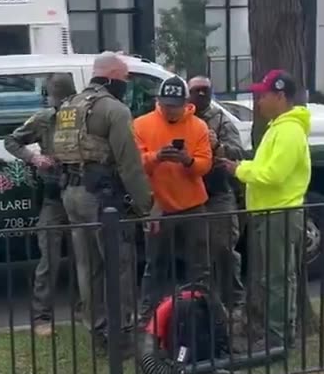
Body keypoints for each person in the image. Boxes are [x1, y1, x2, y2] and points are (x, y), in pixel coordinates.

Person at [51, 51, 152, 347]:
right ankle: (121, 331)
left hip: (70, 192)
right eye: (123, 78)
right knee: (118, 264)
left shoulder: (71, 105)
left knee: (86, 264)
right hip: (100, 196)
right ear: (109, 77)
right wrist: (146, 207)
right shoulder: (113, 109)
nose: (126, 83)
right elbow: (129, 164)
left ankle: (96, 328)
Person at [221, 69, 311, 348]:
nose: (258, 102)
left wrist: (239, 169)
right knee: (271, 277)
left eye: (264, 95)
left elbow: (272, 174)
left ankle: (279, 338)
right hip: (269, 214)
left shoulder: (289, 132)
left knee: (277, 279)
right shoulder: (279, 128)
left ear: (280, 96)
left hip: (279, 214)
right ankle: (274, 333)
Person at [133, 75, 213, 318]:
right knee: (155, 264)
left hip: (192, 205)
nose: (171, 111)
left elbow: (205, 164)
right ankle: (150, 316)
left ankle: (202, 311)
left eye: (176, 106)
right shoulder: (141, 125)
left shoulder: (198, 126)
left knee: (199, 264)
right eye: (167, 105)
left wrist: (188, 161)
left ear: (185, 103)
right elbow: (136, 165)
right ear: (158, 101)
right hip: (159, 206)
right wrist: (157, 157)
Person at [4, 73, 76, 337]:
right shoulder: (45, 119)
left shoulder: (84, 118)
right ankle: (42, 316)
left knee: (87, 257)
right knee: (50, 258)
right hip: (54, 196)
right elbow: (11, 140)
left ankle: (85, 310)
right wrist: (34, 158)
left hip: (79, 192)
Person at [188, 75, 245, 310]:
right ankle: (202, 305)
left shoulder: (221, 120)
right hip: (190, 193)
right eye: (196, 90)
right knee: (197, 254)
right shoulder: (183, 118)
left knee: (223, 249)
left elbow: (238, 152)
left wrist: (218, 146)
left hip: (218, 193)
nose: (201, 94)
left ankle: (233, 301)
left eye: (205, 90)